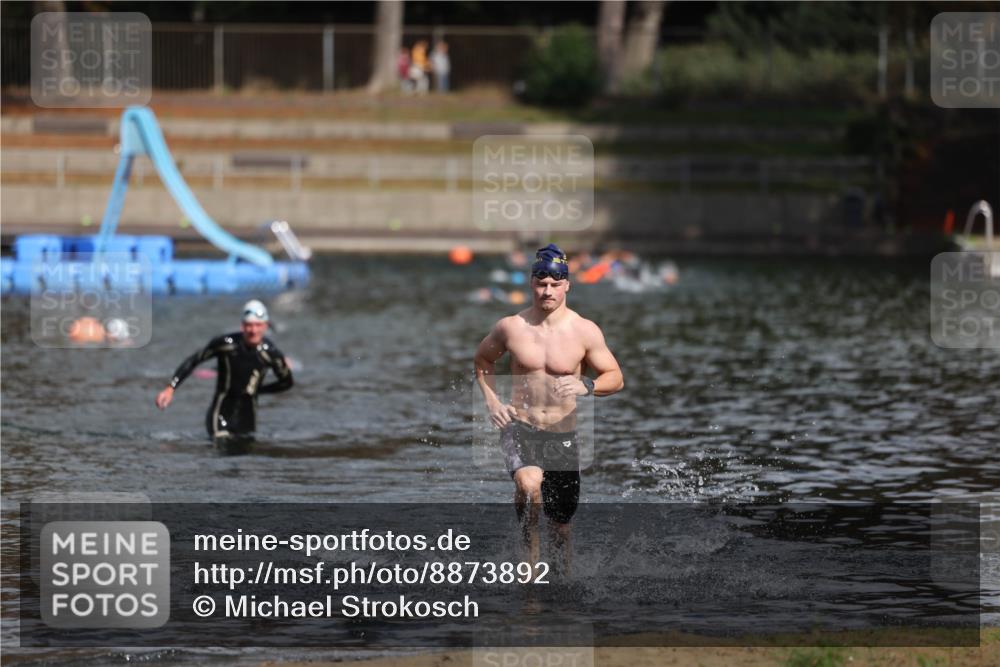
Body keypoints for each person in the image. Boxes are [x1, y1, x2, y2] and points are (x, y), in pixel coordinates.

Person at [474, 244, 624, 563]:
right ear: (531, 283)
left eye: (555, 284)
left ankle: (561, 589)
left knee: (561, 529)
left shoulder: (584, 331)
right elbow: (483, 360)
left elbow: (615, 377)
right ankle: (529, 569)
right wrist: (491, 401)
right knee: (530, 482)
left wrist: (588, 385)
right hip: (521, 425)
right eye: (542, 284)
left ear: (567, 284)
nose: (548, 291)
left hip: (562, 435)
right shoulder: (511, 327)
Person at [155, 300, 293, 449]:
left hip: (247, 416)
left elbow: (287, 382)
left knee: (246, 456)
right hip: (221, 412)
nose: (253, 331)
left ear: (265, 326)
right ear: (242, 326)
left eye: (258, 325)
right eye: (249, 325)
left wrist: (258, 390)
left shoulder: (271, 353)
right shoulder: (226, 343)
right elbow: (194, 360)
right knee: (221, 450)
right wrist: (171, 388)